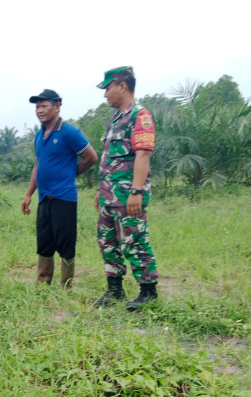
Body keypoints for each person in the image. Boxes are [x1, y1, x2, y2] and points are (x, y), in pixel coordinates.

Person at [93, 66, 159, 310]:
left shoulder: (140, 116)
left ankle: (148, 291)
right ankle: (114, 289)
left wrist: (136, 191)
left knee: (135, 240)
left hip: (127, 194)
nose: (105, 94)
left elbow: (143, 155)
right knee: (107, 241)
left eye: (107, 88)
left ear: (122, 86)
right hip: (108, 195)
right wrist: (100, 191)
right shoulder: (114, 120)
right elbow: (108, 159)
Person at [22, 89, 98, 287]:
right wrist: (29, 194)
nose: (39, 110)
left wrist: (70, 174)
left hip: (64, 197)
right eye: (37, 107)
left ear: (57, 106)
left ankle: (67, 285)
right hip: (44, 198)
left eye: (44, 106)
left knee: (66, 242)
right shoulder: (39, 135)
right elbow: (38, 165)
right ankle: (43, 281)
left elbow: (91, 157)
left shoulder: (69, 132)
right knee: (44, 241)